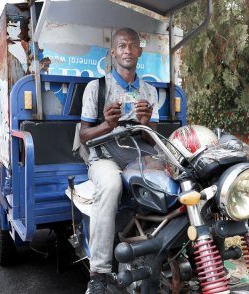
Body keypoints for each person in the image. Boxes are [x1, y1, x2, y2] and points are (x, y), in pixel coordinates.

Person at [79, 27, 159, 293]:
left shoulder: (148, 91)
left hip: (137, 154)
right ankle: (99, 274)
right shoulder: (97, 88)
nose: (128, 50)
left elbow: (153, 139)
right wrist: (106, 124)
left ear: (139, 51)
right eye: (122, 46)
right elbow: (84, 135)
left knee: (169, 180)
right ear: (113, 53)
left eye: (132, 45)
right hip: (104, 155)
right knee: (111, 185)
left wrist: (147, 123)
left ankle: (166, 250)